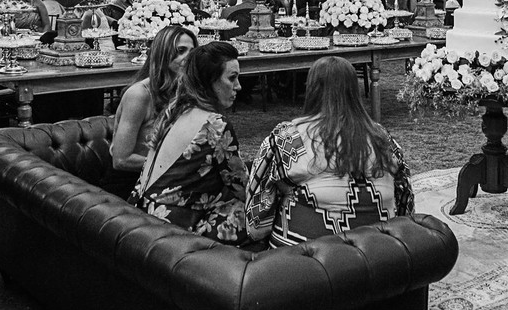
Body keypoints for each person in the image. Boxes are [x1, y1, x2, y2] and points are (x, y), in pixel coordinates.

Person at [246, 57, 414, 247]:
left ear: (311, 89)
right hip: (379, 258)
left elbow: (256, 224)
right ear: (354, 91)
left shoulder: (287, 138)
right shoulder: (384, 138)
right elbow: (405, 208)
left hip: (301, 266)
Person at [130, 42, 251, 246]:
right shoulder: (215, 125)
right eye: (232, 78)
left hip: (140, 214)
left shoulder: (175, 111)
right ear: (209, 81)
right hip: (171, 232)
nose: (239, 86)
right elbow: (242, 187)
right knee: (252, 213)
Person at [103, 26, 197, 200]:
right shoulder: (139, 94)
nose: (188, 57)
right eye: (181, 51)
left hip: (166, 179)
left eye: (192, 52)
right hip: (129, 184)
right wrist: (175, 166)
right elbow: (121, 160)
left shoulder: (185, 91)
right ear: (162, 54)